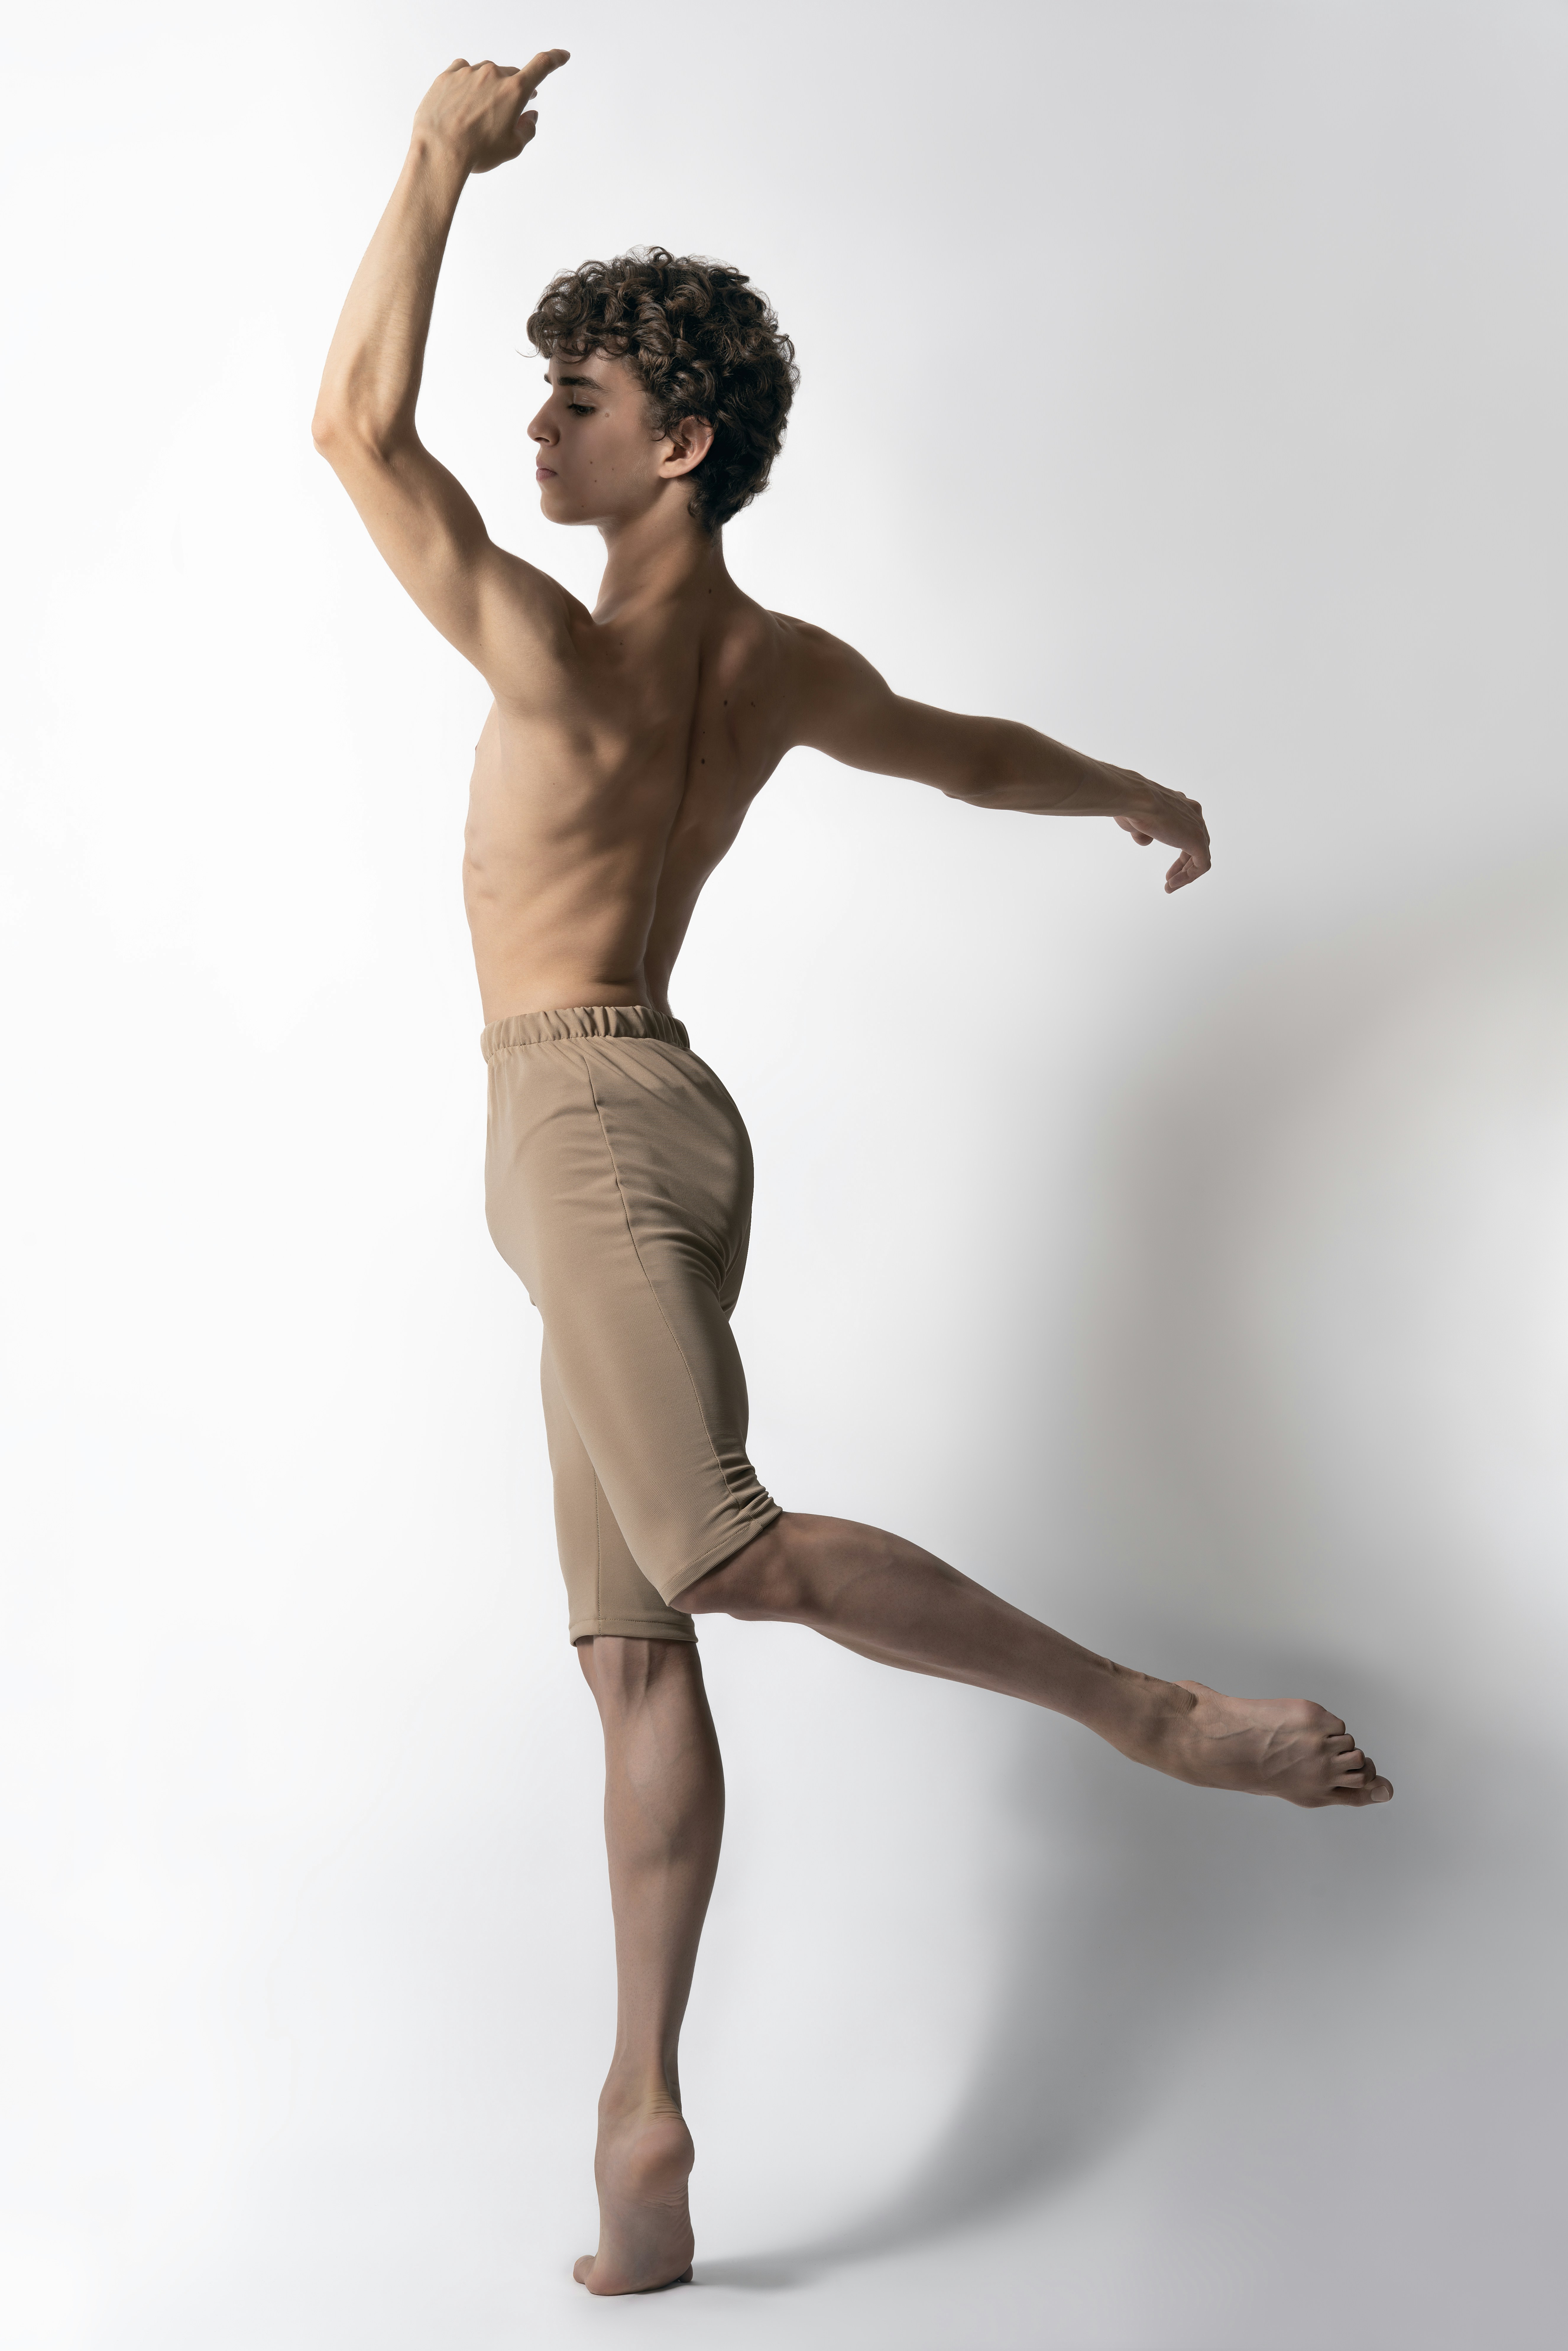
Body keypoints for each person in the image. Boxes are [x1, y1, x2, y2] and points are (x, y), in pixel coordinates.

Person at [312, 48, 1392, 2298]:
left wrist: (431, 159)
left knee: (704, 1555)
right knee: (626, 1651)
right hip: (649, 1117)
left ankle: (1152, 1718)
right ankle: (643, 2119)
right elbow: (959, 748)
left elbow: (353, 436)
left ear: (675, 443)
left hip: (584, 1111)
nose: (535, 436)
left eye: (577, 401)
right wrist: (1131, 790)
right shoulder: (776, 666)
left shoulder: (551, 657)